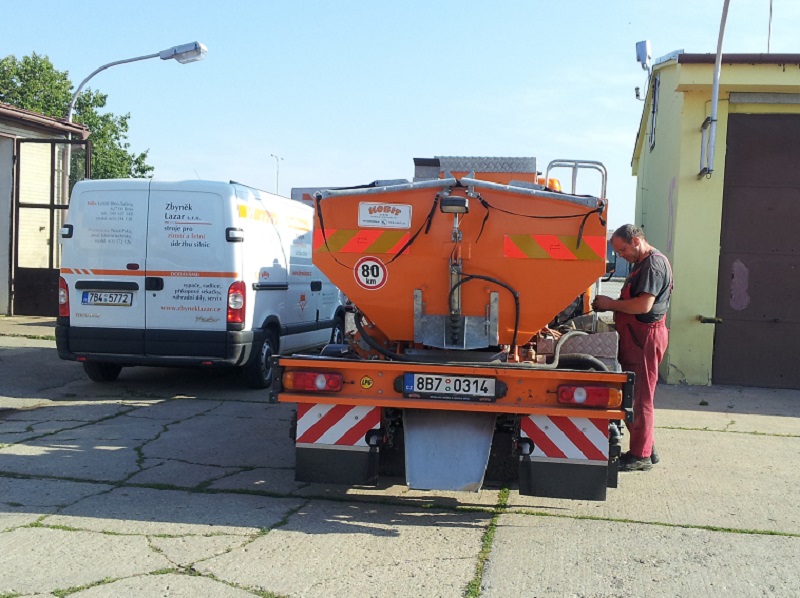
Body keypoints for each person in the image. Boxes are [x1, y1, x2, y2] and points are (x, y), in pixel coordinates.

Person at [592, 224, 672, 472]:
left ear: (636, 241)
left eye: (623, 249)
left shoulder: (653, 265)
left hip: (645, 338)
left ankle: (641, 456)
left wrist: (610, 304)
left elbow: (643, 305)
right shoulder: (640, 264)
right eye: (617, 252)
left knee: (640, 398)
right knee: (631, 395)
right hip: (634, 337)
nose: (621, 255)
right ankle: (646, 447)